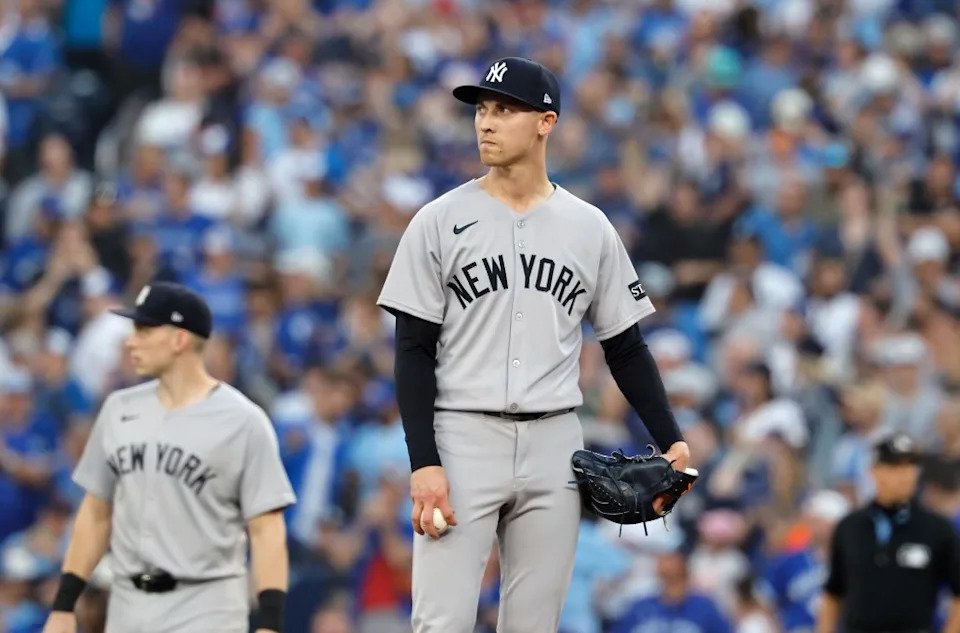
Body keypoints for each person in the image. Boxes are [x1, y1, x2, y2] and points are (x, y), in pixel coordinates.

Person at [376, 56, 691, 633]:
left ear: (546, 122)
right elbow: (413, 350)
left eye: (505, 110)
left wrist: (670, 436)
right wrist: (424, 462)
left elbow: (624, 346)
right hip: (463, 435)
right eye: (482, 110)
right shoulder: (438, 220)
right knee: (439, 622)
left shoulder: (588, 226)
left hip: (554, 441)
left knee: (534, 625)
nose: (486, 123)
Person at [41, 281, 297, 633]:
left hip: (207, 607)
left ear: (179, 340)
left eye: (145, 330)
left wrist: (270, 623)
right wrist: (64, 605)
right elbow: (96, 513)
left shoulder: (243, 421)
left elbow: (266, 530)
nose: (131, 340)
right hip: (128, 604)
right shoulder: (118, 409)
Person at [817, 432, 960, 633]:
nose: (906, 475)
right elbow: (832, 593)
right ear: (874, 472)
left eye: (911, 466)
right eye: (895, 467)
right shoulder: (849, 527)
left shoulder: (937, 529)